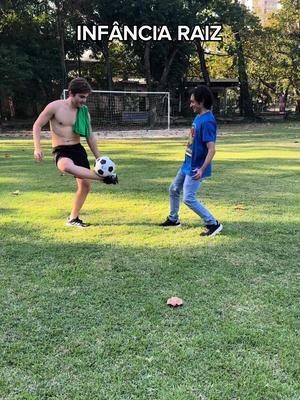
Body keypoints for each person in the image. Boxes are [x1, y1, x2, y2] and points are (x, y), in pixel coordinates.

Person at [33, 77, 118, 228]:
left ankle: (73, 219)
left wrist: (98, 158)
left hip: (77, 149)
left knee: (85, 186)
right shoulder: (55, 106)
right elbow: (37, 125)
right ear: (71, 93)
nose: (84, 101)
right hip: (61, 149)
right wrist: (37, 147)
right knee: (65, 166)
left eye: (86, 97)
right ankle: (104, 178)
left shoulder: (84, 111)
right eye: (81, 97)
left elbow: (89, 135)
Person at [159, 85, 223, 237]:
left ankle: (213, 223)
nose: (191, 105)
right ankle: (173, 219)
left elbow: (212, 149)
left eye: (193, 102)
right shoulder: (199, 116)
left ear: (201, 102)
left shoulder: (207, 121)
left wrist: (201, 170)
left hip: (196, 167)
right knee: (174, 189)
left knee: (188, 198)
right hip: (187, 164)